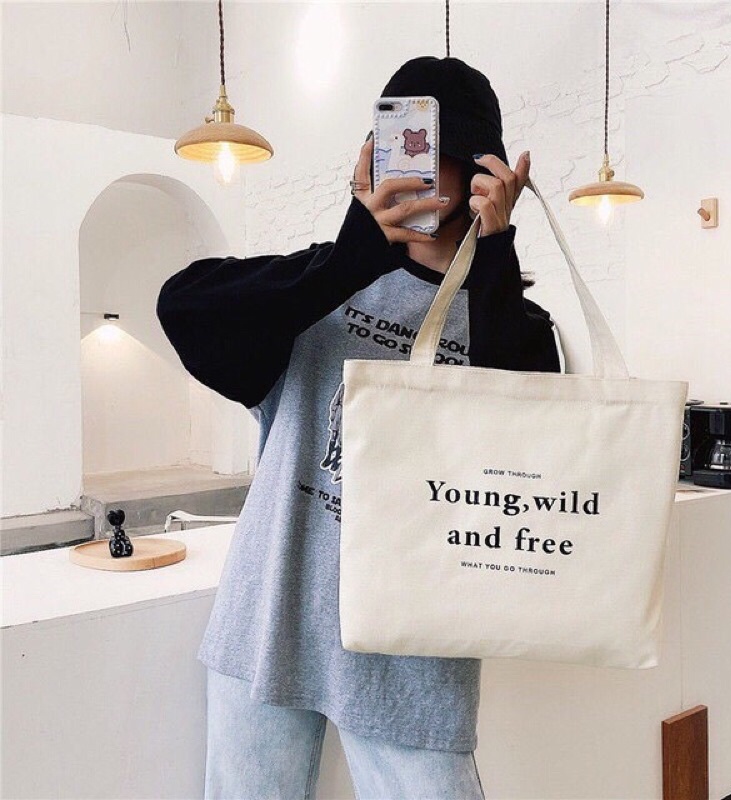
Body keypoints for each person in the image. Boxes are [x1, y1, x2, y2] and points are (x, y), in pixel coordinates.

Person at [156, 55, 562, 800]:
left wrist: (496, 255)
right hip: (269, 618)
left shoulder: (509, 321)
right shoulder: (320, 286)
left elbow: (530, 452)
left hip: (414, 655)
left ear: (485, 170)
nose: (413, 168)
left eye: (435, 150)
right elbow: (184, 307)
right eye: (396, 145)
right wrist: (352, 254)